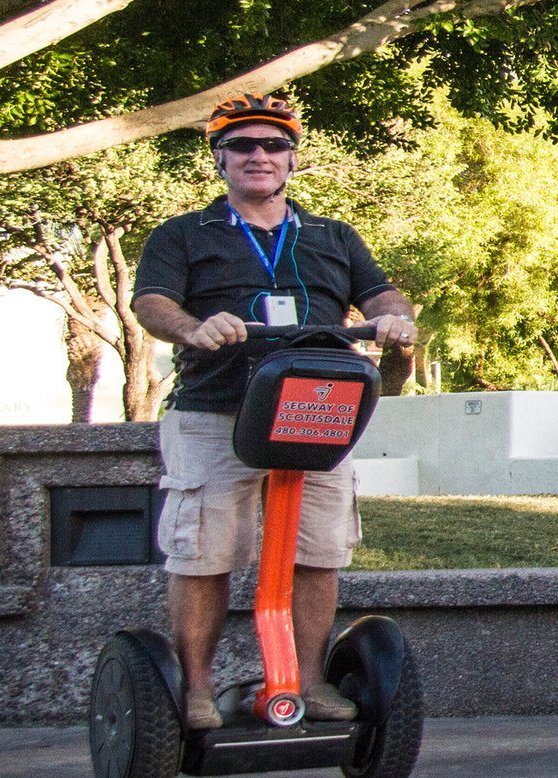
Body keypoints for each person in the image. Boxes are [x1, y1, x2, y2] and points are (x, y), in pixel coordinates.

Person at [131, 94, 418, 729]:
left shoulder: (330, 235)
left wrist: (394, 316)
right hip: (216, 413)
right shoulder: (183, 234)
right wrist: (194, 328)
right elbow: (151, 302)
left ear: (292, 158)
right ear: (220, 159)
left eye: (273, 146)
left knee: (319, 551)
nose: (258, 156)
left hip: (316, 412)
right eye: (242, 146)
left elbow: (381, 292)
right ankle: (197, 691)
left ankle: (309, 682)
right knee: (204, 553)